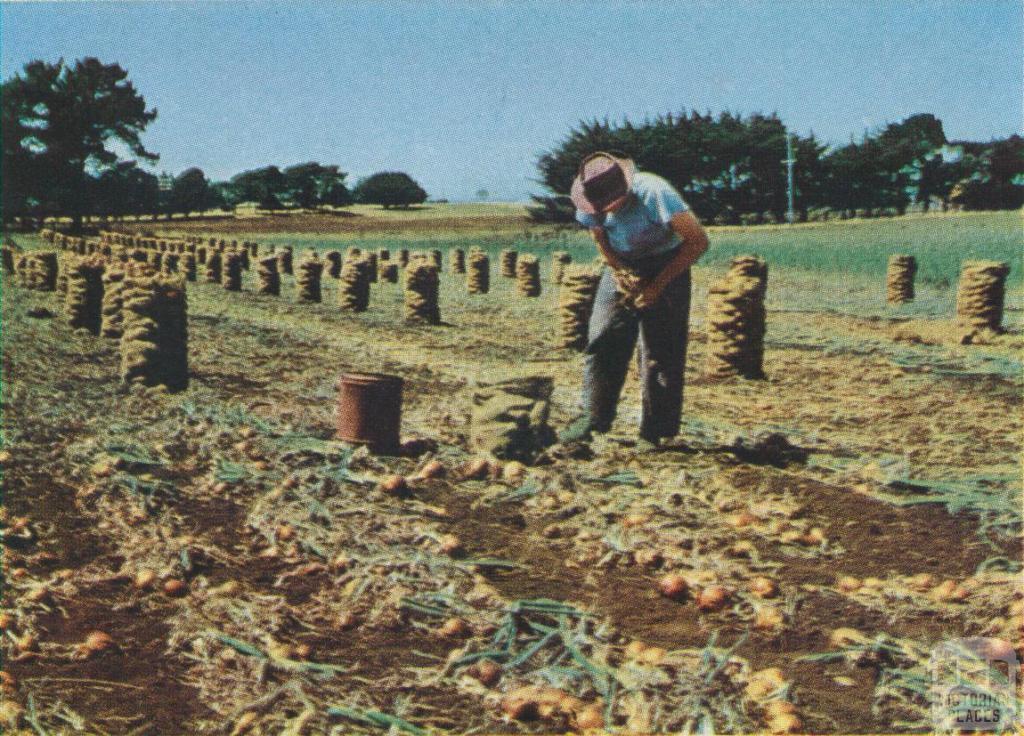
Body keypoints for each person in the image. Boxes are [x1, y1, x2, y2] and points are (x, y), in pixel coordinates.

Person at [559, 151, 709, 448]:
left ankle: (657, 432)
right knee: (602, 336)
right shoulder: (590, 199)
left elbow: (698, 242)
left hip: (667, 262)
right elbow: (599, 237)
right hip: (623, 262)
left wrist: (658, 286)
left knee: (660, 350)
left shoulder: (654, 193)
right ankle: (593, 418)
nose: (606, 210)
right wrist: (617, 269)